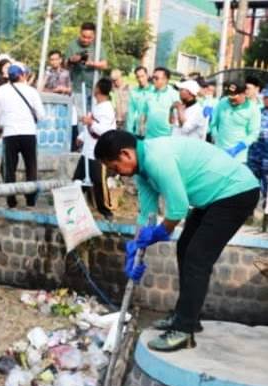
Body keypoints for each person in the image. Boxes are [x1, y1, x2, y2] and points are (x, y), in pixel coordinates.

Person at [94, 130, 259, 351]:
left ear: (126, 154)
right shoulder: (142, 170)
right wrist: (136, 248)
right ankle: (187, 316)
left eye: (114, 167)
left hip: (236, 193)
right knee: (185, 248)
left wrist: (160, 233)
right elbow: (147, 215)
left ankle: (184, 330)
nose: (117, 173)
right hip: (212, 199)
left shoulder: (156, 159)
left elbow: (178, 208)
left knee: (197, 257)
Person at [0, 65, 46, 208]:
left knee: (9, 168)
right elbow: (41, 115)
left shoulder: (0, 91)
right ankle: (30, 200)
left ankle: (11, 201)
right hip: (29, 133)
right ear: (22, 75)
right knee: (31, 167)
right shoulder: (32, 91)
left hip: (10, 134)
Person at [73, 77, 116, 218]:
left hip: (99, 151)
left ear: (99, 89)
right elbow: (89, 128)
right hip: (87, 150)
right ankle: (73, 207)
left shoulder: (107, 109)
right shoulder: (96, 106)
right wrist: (81, 136)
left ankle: (105, 209)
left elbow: (104, 131)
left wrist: (90, 122)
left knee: (99, 181)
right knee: (78, 179)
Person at [210, 80, 260, 163]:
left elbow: (254, 134)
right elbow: (214, 123)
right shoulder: (223, 102)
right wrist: (215, 136)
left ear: (243, 94)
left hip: (238, 158)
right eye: (229, 95)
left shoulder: (253, 109)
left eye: (234, 96)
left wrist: (238, 148)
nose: (231, 99)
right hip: (219, 153)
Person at [67, 22, 108, 107]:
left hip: (95, 89)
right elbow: (65, 65)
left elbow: (104, 65)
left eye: (89, 38)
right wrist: (72, 60)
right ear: (80, 33)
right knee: (79, 117)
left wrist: (91, 63)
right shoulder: (72, 45)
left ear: (94, 36)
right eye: (83, 37)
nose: (86, 40)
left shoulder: (98, 45)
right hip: (78, 89)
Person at [140, 67, 179, 139]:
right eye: (153, 77)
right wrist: (142, 126)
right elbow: (144, 112)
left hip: (166, 136)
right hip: (149, 136)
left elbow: (177, 117)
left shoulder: (174, 94)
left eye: (156, 78)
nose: (153, 80)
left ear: (165, 80)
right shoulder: (149, 93)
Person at [125, 66, 152, 137]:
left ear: (147, 75)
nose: (140, 79)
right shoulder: (133, 92)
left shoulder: (154, 90)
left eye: (142, 76)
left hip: (152, 131)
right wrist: (129, 132)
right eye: (138, 77)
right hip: (138, 131)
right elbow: (130, 113)